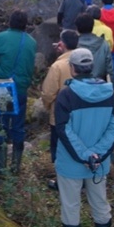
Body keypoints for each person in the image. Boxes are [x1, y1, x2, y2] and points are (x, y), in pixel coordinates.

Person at [54, 48, 114, 227]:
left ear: (72, 68)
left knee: (70, 206)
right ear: (91, 67)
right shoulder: (109, 94)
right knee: (100, 203)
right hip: (98, 164)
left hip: (70, 163)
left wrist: (85, 155)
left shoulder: (66, 95)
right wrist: (96, 155)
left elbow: (63, 129)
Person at [0, 9, 37, 175]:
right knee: (18, 126)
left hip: (4, 88)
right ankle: (16, 167)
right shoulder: (31, 41)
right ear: (26, 24)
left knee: (0, 123)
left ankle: (0, 167)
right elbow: (31, 67)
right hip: (21, 88)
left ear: (9, 22)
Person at [41, 29, 79, 191]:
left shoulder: (58, 65)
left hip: (59, 115)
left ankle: (61, 180)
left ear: (62, 44)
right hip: (80, 114)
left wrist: (48, 106)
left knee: (58, 147)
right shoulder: (85, 60)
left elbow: (49, 93)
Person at [76, 13, 114, 82]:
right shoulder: (103, 44)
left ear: (77, 28)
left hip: (78, 84)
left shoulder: (73, 45)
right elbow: (109, 68)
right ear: (92, 26)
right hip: (99, 83)